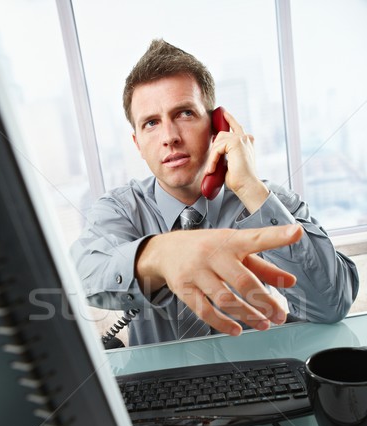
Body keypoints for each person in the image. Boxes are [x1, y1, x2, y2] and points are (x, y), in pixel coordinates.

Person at [72, 39, 359, 346]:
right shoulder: (120, 209)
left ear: (216, 126)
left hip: (258, 379)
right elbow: (85, 273)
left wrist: (250, 189)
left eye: (184, 113)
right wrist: (157, 253)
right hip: (164, 386)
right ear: (138, 144)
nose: (169, 137)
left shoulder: (266, 201)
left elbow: (332, 305)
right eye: (152, 123)